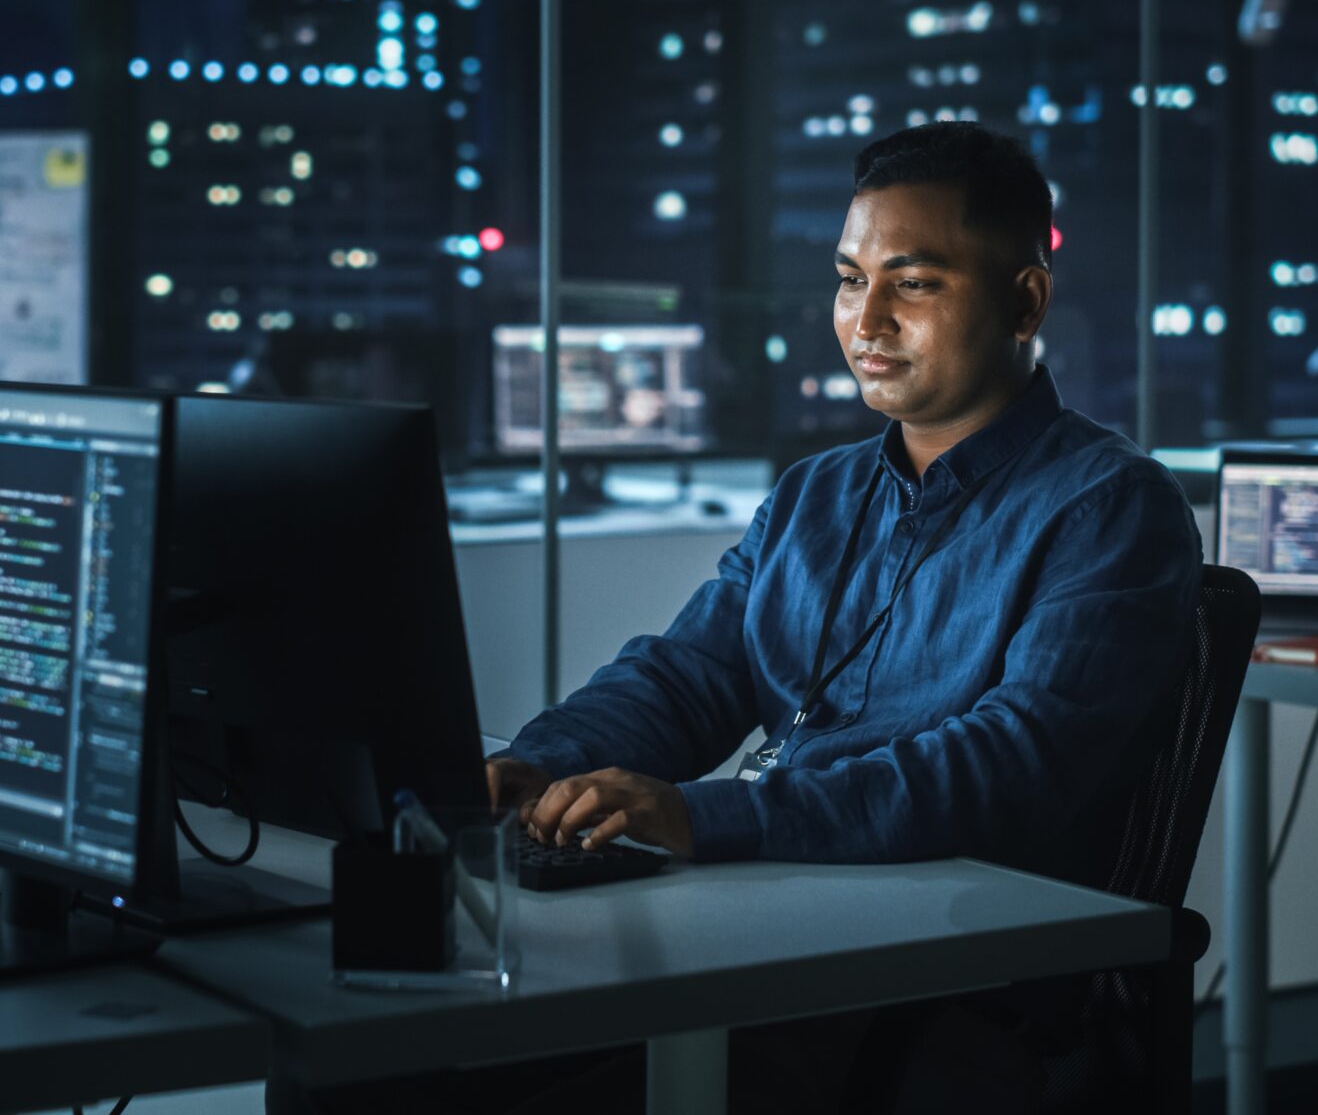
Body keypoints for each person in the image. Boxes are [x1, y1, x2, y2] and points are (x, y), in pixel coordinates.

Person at [289, 122, 1201, 1114]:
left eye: (912, 283)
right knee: (360, 1058)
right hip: (770, 922)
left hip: (938, 982)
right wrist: (538, 766)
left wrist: (703, 817)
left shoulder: (1109, 507)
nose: (867, 320)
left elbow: (1012, 767)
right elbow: (686, 677)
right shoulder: (815, 495)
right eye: (850, 280)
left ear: (1024, 301)